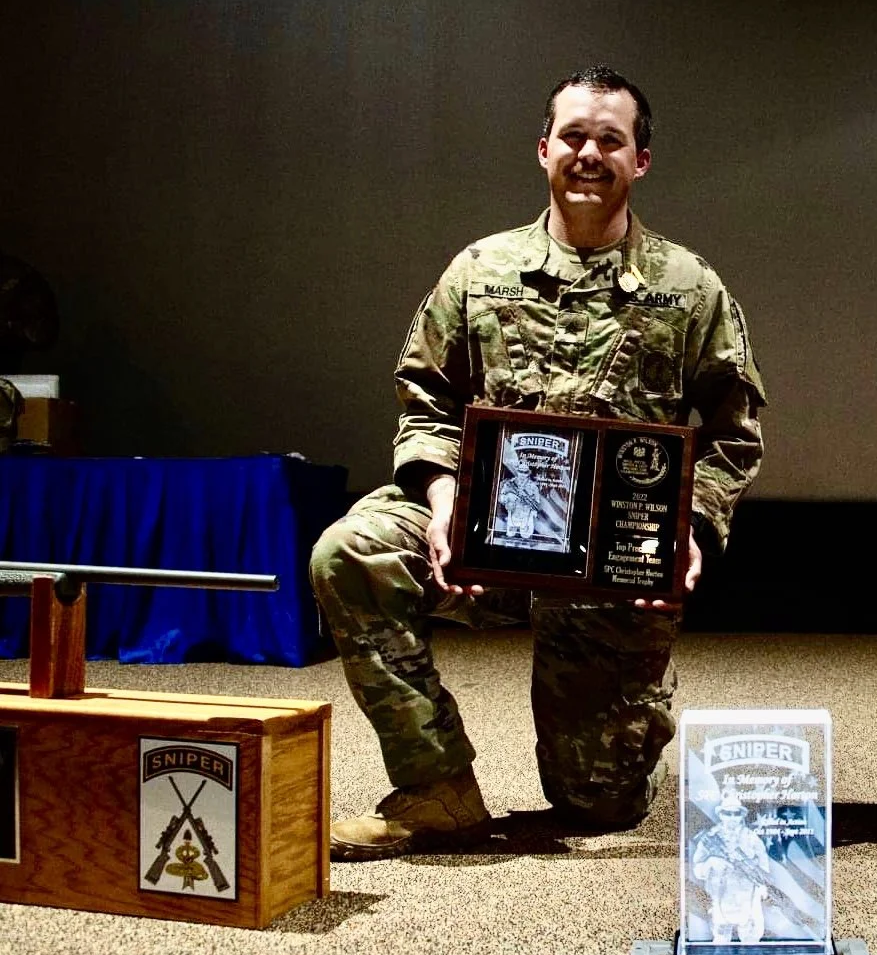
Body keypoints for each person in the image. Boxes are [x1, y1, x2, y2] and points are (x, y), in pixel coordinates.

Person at [310, 65, 766, 861]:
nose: (590, 154)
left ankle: (625, 727)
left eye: (611, 141)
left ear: (640, 161)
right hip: (478, 536)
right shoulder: (479, 270)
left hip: (609, 567)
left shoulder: (689, 288)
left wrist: (687, 526)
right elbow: (424, 401)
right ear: (544, 149)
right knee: (350, 552)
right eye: (574, 138)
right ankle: (436, 784)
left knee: (597, 808)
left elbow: (734, 428)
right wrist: (446, 503)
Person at [692, 788, 770, 944]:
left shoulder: (751, 838)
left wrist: (762, 887)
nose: (732, 818)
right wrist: (711, 862)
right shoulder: (710, 838)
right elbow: (697, 868)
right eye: (728, 813)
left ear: (741, 816)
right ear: (721, 815)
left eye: (736, 814)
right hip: (720, 894)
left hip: (746, 894)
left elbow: (763, 866)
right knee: (721, 937)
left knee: (751, 937)